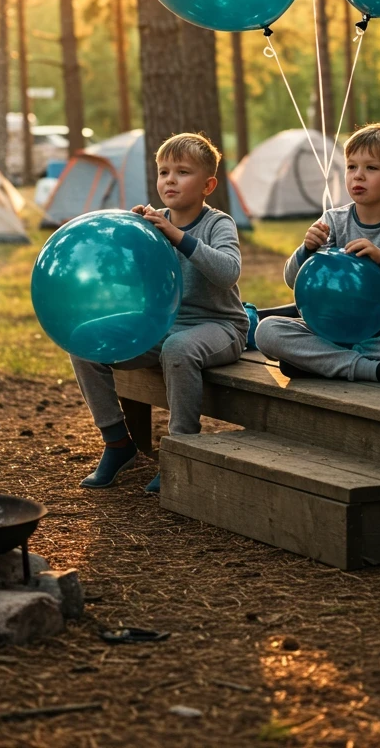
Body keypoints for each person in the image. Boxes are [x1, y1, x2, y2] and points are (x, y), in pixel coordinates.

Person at [71, 132, 247, 494]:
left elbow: (229, 271)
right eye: (164, 171)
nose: (170, 179)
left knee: (178, 349)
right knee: (84, 341)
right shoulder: (154, 223)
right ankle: (118, 444)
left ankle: (180, 450)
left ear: (208, 185)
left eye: (182, 172)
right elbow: (135, 285)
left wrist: (177, 236)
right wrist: (132, 241)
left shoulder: (218, 224)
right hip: (162, 326)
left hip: (219, 327)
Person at [255, 123, 380, 386]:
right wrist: (306, 249)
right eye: (351, 166)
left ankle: (320, 363)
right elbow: (291, 280)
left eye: (371, 168)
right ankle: (371, 369)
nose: (358, 176)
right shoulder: (333, 220)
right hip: (328, 329)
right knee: (267, 330)